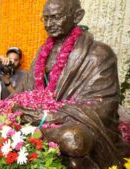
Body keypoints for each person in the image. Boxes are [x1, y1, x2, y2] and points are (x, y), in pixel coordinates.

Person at [12, 0, 129, 168]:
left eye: (56, 17)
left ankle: (26, 131)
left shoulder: (99, 53)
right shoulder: (42, 52)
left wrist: (50, 116)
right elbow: (23, 91)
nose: (49, 24)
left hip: (73, 124)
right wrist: (11, 106)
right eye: (45, 18)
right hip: (38, 116)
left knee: (73, 139)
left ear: (77, 16)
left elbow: (105, 107)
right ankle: (31, 130)